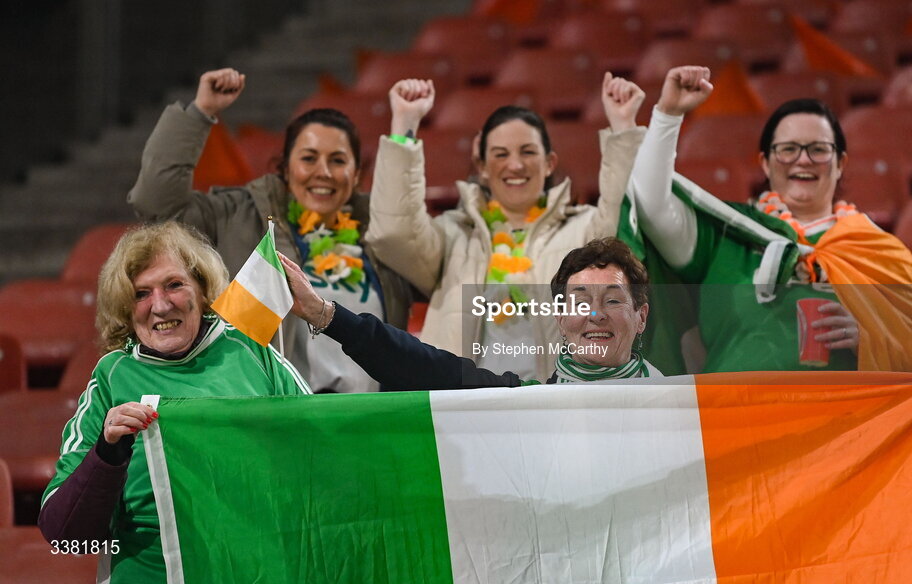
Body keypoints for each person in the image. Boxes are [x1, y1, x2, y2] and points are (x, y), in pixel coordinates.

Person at [38, 222, 311, 582]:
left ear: (201, 290)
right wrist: (107, 456)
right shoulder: (110, 376)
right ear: (125, 306)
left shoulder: (254, 354)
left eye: (174, 285)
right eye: (140, 294)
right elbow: (67, 538)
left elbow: (317, 462)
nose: (161, 306)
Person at [625, 66, 912, 374]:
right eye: (787, 149)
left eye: (818, 149)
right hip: (735, 419)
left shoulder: (880, 251)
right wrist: (668, 114)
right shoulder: (729, 233)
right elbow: (650, 203)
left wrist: (869, 341)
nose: (802, 159)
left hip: (842, 422)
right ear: (765, 162)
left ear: (841, 163)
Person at [128, 68, 413, 393]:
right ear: (285, 169)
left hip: (370, 421)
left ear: (357, 173)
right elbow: (156, 204)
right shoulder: (238, 215)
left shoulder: (382, 235)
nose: (324, 172)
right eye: (309, 158)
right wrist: (200, 112)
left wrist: (406, 128)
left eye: (337, 160)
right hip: (280, 416)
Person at [365, 74, 646, 381]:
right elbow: (392, 232)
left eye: (527, 152)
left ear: (550, 163)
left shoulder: (582, 231)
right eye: (500, 154)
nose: (515, 165)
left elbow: (627, 221)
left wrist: (623, 128)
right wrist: (404, 125)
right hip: (463, 408)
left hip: (552, 405)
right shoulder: (454, 235)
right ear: (482, 167)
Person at [284, 237, 661, 387]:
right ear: (561, 319)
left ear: (641, 316)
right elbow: (420, 364)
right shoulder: (524, 406)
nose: (596, 315)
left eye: (613, 300)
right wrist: (323, 314)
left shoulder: (683, 407)